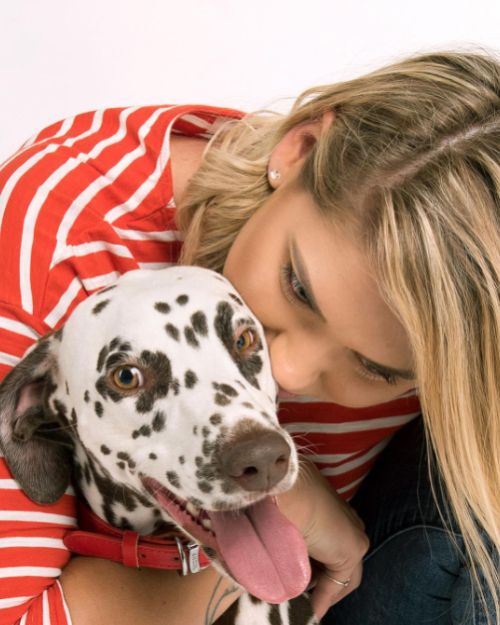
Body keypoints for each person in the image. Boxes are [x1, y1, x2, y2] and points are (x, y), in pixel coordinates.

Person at [0, 50, 498, 625]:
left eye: (376, 367)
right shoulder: (48, 249)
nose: (283, 373)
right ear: (299, 150)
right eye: (298, 287)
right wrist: (292, 507)